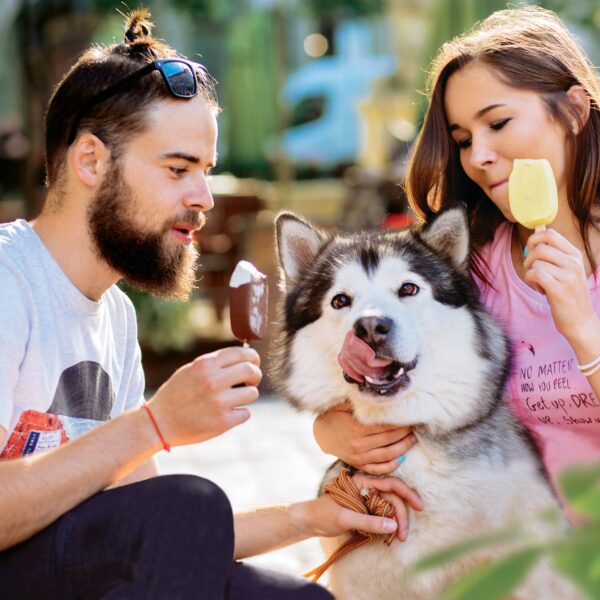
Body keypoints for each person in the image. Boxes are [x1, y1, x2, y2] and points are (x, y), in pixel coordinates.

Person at [0, 9, 423, 599]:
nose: (202, 198)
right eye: (178, 169)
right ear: (92, 161)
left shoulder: (113, 315)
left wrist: (313, 516)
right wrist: (156, 424)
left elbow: (146, 531)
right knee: (186, 504)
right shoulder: (8, 279)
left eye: (206, 171)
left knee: (301, 598)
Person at [313, 5, 600, 520]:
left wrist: (583, 330)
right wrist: (331, 427)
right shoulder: (477, 269)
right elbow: (395, 378)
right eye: (464, 140)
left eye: (499, 123)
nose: (479, 156)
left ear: (575, 111)